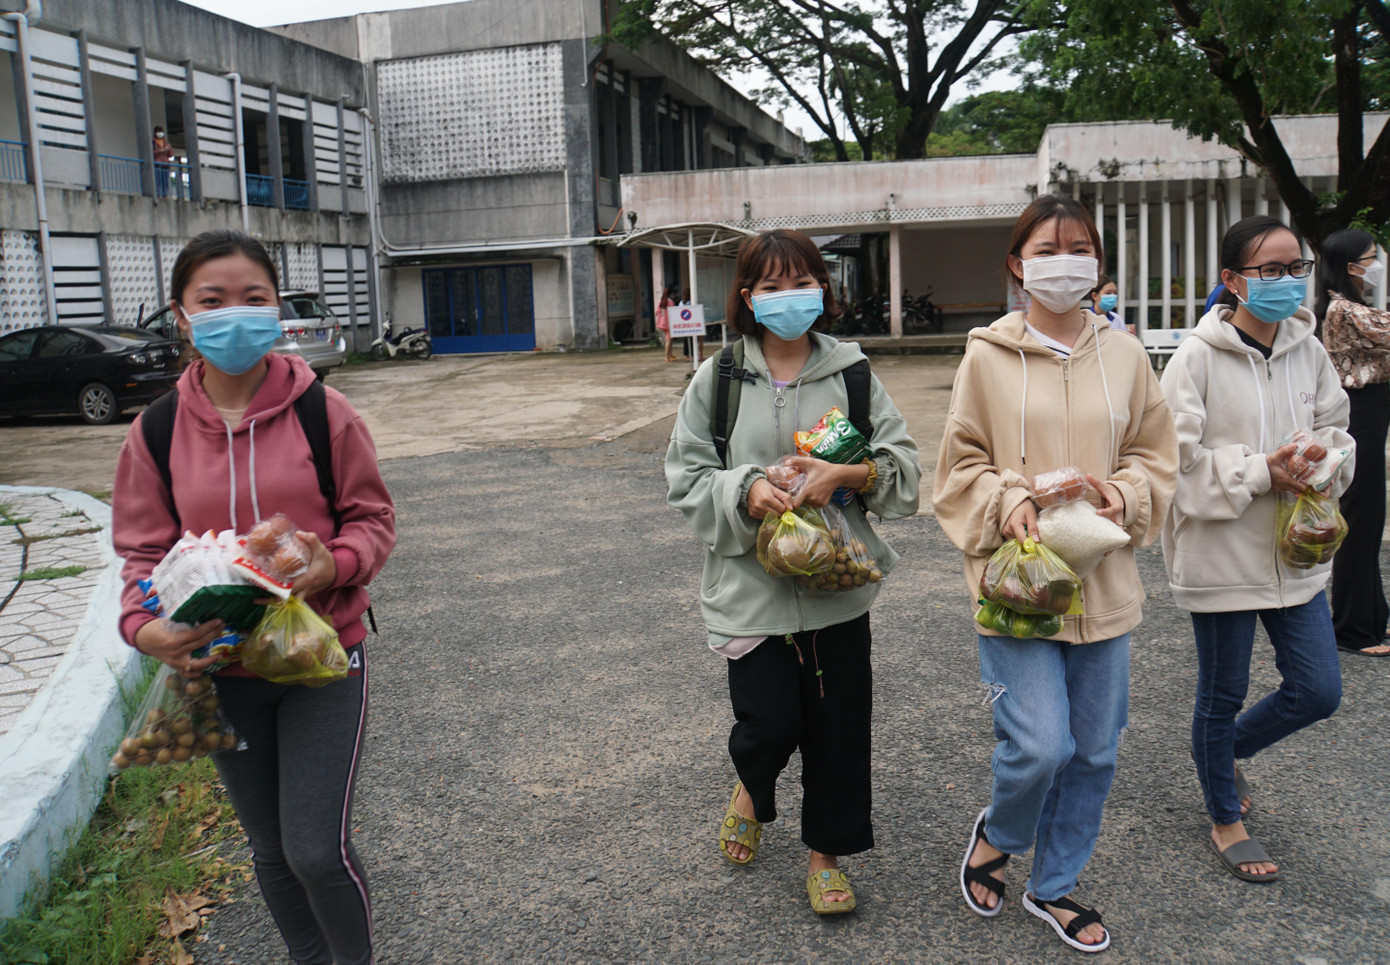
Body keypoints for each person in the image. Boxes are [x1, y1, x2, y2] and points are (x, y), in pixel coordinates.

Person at [112, 229, 396, 965]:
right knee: (269, 847)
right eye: (212, 301)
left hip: (323, 657)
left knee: (315, 848)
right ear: (182, 314)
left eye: (253, 298)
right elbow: (141, 552)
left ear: (277, 309)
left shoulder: (323, 413)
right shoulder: (156, 430)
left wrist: (329, 565)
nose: (233, 314)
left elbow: (372, 520)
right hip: (221, 670)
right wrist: (147, 631)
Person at [934, 195, 1178, 953]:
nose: (1063, 260)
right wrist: (1008, 498)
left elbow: (1156, 456)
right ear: (1018, 264)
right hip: (1018, 588)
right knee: (1041, 744)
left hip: (1102, 580)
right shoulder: (987, 354)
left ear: (1098, 265)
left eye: (1078, 248)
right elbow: (959, 463)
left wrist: (1121, 491)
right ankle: (1000, 835)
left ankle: (1054, 883)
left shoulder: (1129, 355)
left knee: (1097, 748)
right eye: (1046, 248)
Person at [665, 228, 921, 915]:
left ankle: (825, 857)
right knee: (771, 723)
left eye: (800, 281)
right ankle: (753, 784)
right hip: (750, 591)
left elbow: (904, 474)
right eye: (770, 286)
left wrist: (847, 472)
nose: (788, 297)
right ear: (747, 297)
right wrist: (744, 489)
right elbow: (685, 477)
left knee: (839, 730)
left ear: (823, 288)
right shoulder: (716, 379)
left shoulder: (854, 373)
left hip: (838, 590)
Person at [1160, 215, 1352, 884]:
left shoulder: (1310, 349)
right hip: (1222, 556)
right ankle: (1225, 817)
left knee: (1318, 689)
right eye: (1269, 270)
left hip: (1296, 553)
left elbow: (1338, 430)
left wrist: (1322, 460)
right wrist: (1261, 470)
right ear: (1233, 280)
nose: (1286, 280)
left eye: (1295, 267)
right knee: (1224, 689)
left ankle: (1221, 751)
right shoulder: (1196, 358)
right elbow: (1175, 466)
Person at [1317, 229, 1390, 656]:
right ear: (1351, 266)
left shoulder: (1354, 307)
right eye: (1370, 256)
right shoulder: (1345, 310)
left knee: (1368, 518)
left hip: (1370, 413)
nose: (1376, 262)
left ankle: (1371, 618)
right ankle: (1353, 629)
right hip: (1360, 414)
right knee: (1360, 522)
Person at [656, 284, 677, 362]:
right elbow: (673, 312)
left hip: (662, 323)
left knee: (669, 339)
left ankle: (669, 355)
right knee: (669, 340)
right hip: (669, 323)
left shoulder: (661, 302)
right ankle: (667, 356)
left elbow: (657, 312)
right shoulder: (670, 302)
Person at [152, 126, 174, 198]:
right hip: (157, 163)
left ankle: (165, 194)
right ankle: (158, 194)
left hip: (165, 164)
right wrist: (160, 151)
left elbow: (171, 154)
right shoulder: (153, 142)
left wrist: (168, 149)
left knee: (165, 181)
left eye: (161, 132)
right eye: (158, 132)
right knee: (158, 180)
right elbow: (152, 153)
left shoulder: (166, 143)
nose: (160, 134)